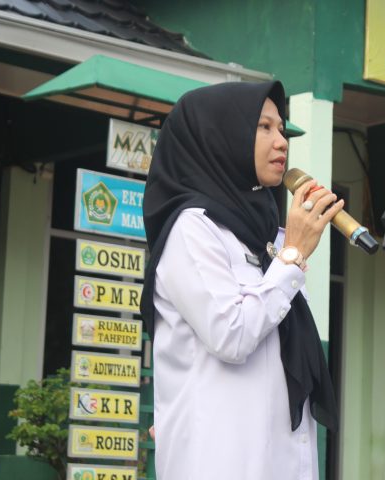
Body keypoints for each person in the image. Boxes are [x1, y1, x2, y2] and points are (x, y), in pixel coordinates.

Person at [140, 80, 341, 479]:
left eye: (281, 129)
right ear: (219, 136)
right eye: (263, 127)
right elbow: (230, 334)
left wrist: (287, 254)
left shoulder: (265, 235)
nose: (281, 141)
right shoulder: (191, 230)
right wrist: (292, 257)